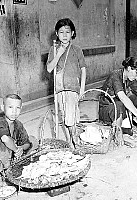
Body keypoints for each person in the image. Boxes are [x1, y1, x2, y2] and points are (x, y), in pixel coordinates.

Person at [47, 18, 87, 147]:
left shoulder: (77, 49)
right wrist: (58, 54)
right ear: (57, 34)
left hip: (74, 88)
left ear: (73, 33)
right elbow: (49, 68)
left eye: (67, 32)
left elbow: (83, 69)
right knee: (68, 117)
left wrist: (82, 89)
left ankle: (74, 141)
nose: (64, 35)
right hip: (60, 89)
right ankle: (74, 142)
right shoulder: (53, 49)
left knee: (72, 117)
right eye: (61, 32)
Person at [0, 94, 32, 175]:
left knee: (32, 140)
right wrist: (16, 150)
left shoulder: (18, 124)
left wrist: (21, 148)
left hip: (10, 157)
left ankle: (14, 163)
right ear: (3, 108)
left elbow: (27, 143)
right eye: (10, 107)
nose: (14, 111)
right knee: (4, 145)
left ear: (21, 108)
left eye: (17, 108)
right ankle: (9, 171)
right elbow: (5, 139)